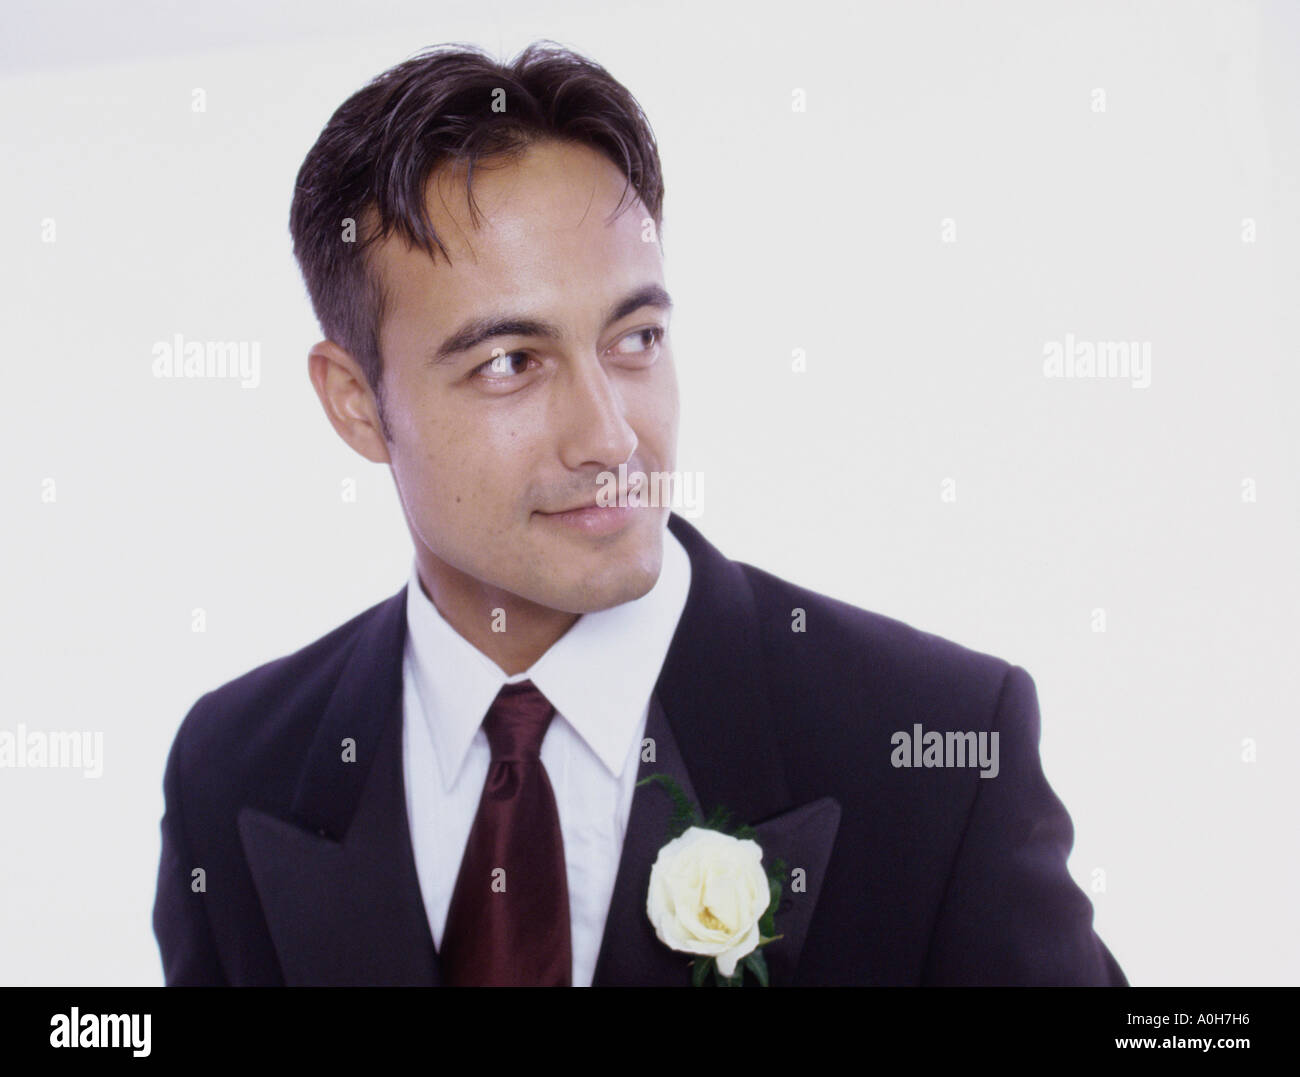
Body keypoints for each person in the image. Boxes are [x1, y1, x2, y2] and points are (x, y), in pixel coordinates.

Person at [152, 40, 1126, 987]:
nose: (612, 438)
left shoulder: (935, 748)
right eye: (509, 363)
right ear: (355, 401)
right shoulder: (232, 768)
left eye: (636, 337)